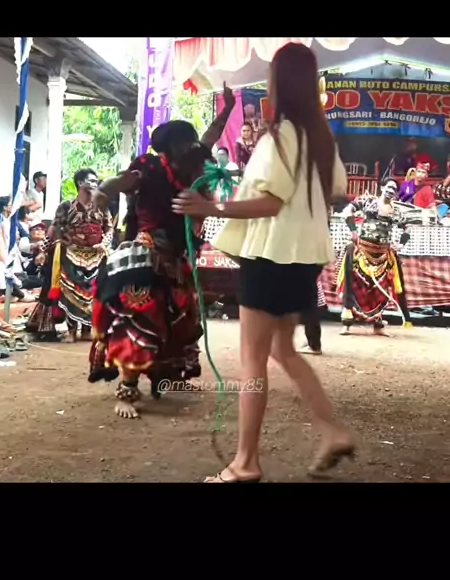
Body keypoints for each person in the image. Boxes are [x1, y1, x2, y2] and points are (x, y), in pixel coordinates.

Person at [173, 42, 354, 482]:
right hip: (303, 258)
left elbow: (271, 203)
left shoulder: (280, 137)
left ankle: (246, 462)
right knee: (281, 349)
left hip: (271, 256)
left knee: (253, 359)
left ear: (279, 84)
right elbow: (334, 190)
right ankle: (332, 432)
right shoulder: (320, 138)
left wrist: (210, 208)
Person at [88, 85, 235, 420]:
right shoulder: (150, 166)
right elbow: (123, 182)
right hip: (147, 254)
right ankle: (127, 388)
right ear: (171, 146)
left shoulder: (195, 163)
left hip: (179, 257)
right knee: (140, 315)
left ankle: (165, 374)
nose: (193, 146)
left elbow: (212, 134)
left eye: (193, 141)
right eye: (186, 142)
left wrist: (227, 108)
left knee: (181, 319)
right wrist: (102, 192)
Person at [26, 169, 113, 342]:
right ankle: (72, 330)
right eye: (91, 180)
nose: (95, 184)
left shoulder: (102, 205)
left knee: (93, 293)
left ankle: (87, 330)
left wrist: (104, 243)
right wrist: (43, 250)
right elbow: (54, 228)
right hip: (70, 253)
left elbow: (109, 228)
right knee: (70, 292)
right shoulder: (66, 206)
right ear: (80, 183)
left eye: (96, 181)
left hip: (96, 255)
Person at [337, 178, 412, 336]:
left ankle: (378, 326)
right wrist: (353, 231)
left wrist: (400, 244)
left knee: (381, 290)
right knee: (352, 285)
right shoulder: (368, 201)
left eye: (394, 189)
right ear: (382, 187)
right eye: (388, 187)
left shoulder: (396, 211)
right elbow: (347, 211)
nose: (390, 190)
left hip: (383, 255)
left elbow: (408, 227)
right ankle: (347, 324)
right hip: (362, 250)